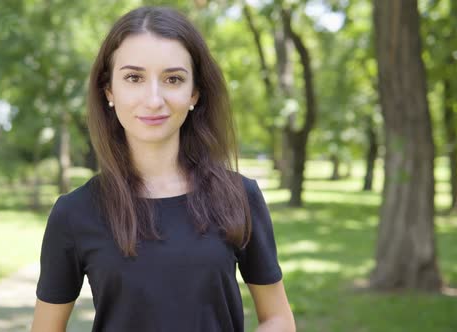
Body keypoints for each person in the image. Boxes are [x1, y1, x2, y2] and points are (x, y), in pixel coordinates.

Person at [31, 6, 295, 332]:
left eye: (173, 79)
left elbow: (278, 318)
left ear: (194, 92)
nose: (154, 99)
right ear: (109, 91)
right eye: (134, 78)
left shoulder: (241, 196)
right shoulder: (73, 213)